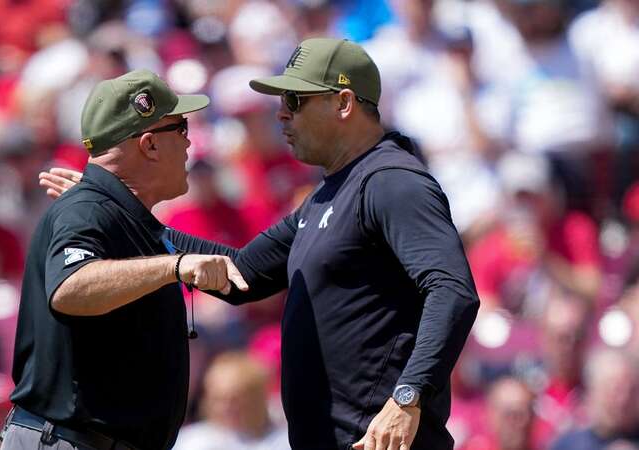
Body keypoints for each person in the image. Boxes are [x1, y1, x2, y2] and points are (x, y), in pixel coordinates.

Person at [41, 38, 480, 450]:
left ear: (344, 103)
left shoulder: (393, 181)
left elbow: (452, 290)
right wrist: (123, 214)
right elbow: (240, 274)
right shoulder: (331, 191)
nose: (282, 114)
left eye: (295, 101)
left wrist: (408, 396)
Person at [1, 69, 249, 450]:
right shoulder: (86, 210)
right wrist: (174, 266)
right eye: (181, 128)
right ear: (149, 145)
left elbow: (244, 266)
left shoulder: (114, 214)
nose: (188, 143)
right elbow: (70, 286)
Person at [172, 351, 290, 450]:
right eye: (218, 399)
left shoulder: (286, 441)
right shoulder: (193, 442)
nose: (225, 408)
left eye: (235, 400)